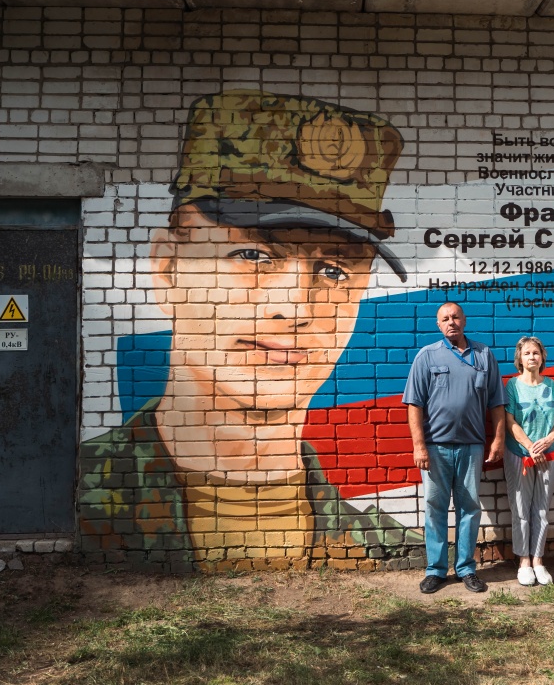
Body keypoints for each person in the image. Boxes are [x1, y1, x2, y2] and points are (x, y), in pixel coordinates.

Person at [80, 89, 418, 570]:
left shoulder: (390, 554)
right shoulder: (72, 500)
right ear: (168, 268)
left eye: (334, 271)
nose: (294, 307)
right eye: (253, 255)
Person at [404, 302, 506, 594]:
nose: (451, 322)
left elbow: (497, 403)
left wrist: (498, 439)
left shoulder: (484, 355)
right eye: (445, 318)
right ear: (438, 325)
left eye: (455, 317)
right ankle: (436, 570)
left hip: (472, 446)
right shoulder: (427, 356)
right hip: (435, 448)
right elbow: (414, 405)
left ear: (464, 320)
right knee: (435, 507)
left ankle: (466, 568)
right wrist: (419, 446)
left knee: (469, 508)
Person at [503, 336, 554, 586]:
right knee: (520, 508)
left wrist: (550, 438)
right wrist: (530, 447)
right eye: (527, 353)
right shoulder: (512, 386)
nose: (532, 357)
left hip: (549, 455)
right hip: (521, 455)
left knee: (542, 508)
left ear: (542, 357)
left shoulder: (551, 384)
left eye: (536, 353)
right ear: (520, 358)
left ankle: (538, 560)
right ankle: (524, 562)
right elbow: (510, 421)